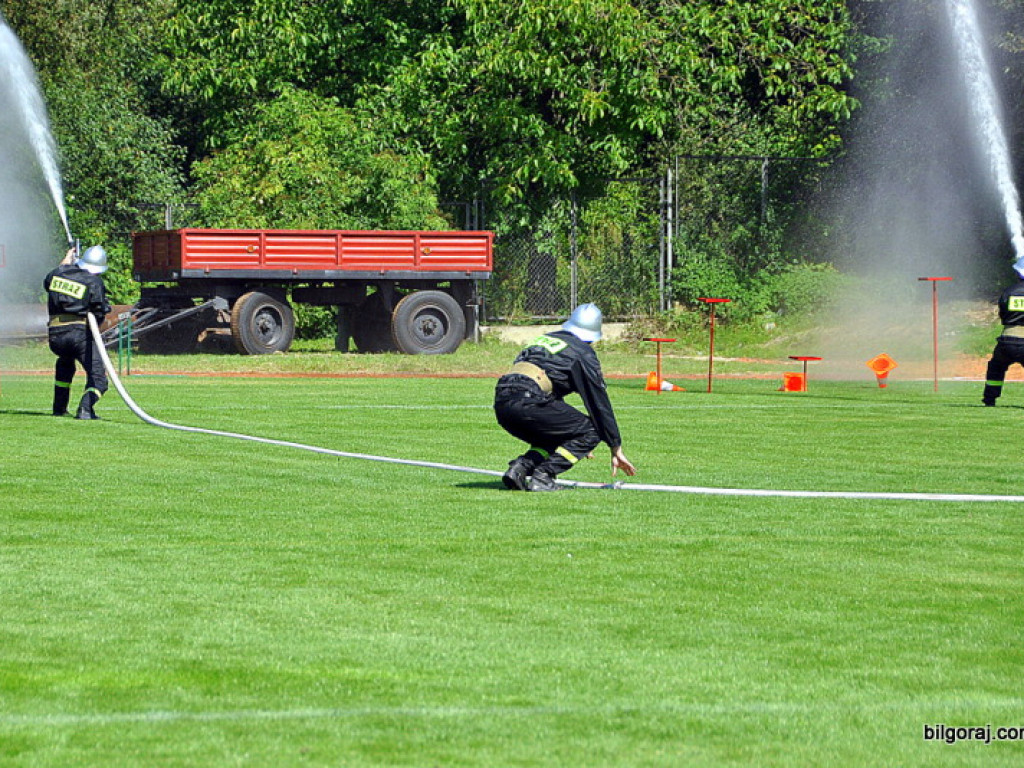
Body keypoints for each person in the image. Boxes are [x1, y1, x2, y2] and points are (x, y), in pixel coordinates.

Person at [493, 303, 637, 491]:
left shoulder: (544, 339)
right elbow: (598, 403)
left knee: (550, 436)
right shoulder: (582, 352)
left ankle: (520, 469)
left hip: (502, 402)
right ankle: (543, 476)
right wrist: (615, 446)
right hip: (529, 399)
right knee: (594, 430)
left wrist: (574, 440)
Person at [43, 244, 111, 419]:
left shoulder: (58, 274)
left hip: (55, 337)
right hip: (78, 334)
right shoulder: (94, 281)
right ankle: (85, 409)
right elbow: (99, 312)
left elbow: (50, 281)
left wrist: (67, 261)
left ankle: (59, 408)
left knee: (65, 364)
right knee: (99, 379)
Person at [982, 266, 1024, 407]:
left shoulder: (1009, 291)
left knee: (996, 367)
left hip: (1007, 340)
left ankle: (989, 399)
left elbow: (1002, 313)